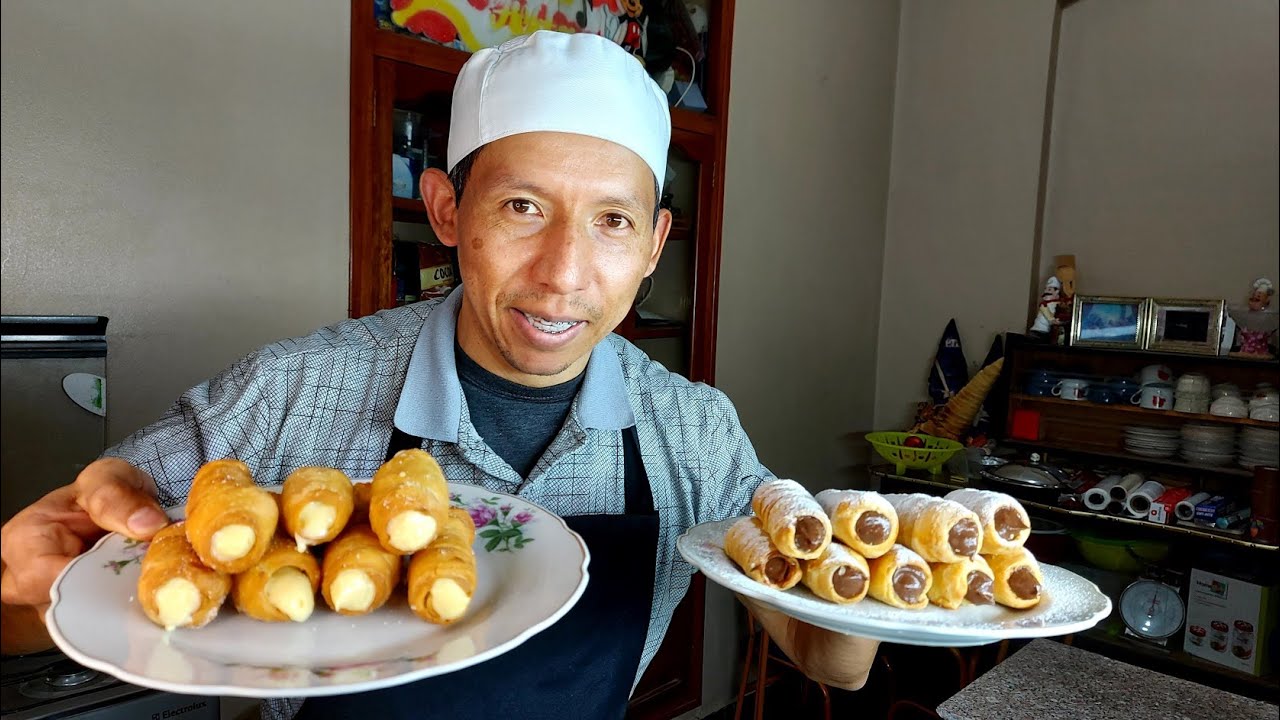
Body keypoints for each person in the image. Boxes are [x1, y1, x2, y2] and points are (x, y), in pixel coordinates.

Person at [0, 31, 878, 719]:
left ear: (654, 246)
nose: (564, 274)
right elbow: (33, 607)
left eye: (612, 221)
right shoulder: (287, 395)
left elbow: (828, 660)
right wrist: (20, 582)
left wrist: (871, 581)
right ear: (449, 213)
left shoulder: (695, 430)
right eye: (523, 208)